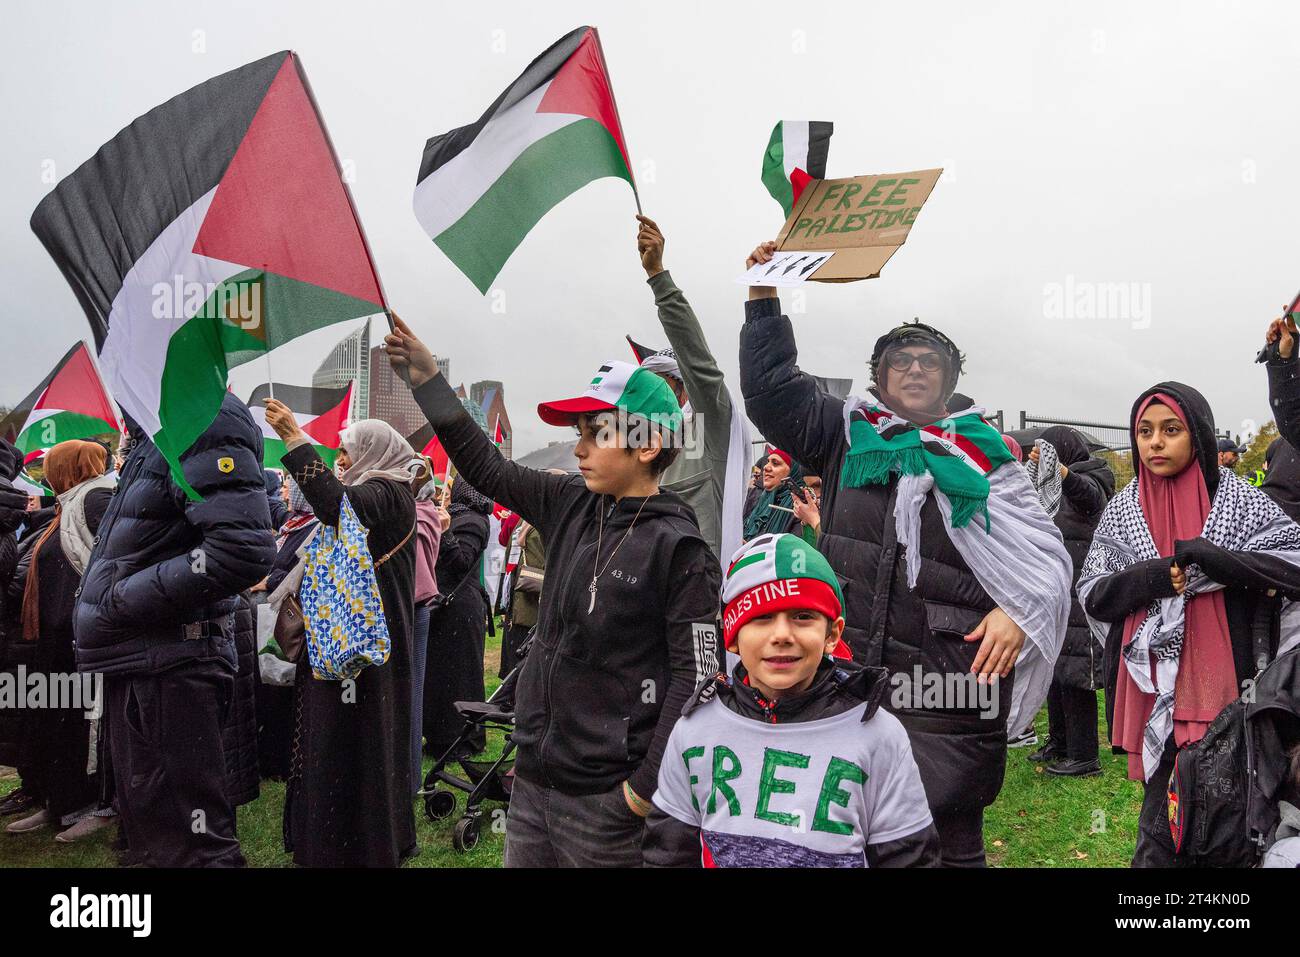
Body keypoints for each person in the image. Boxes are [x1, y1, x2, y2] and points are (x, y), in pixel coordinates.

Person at [738, 241, 1072, 866]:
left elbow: (1045, 560)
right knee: (841, 837)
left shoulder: (987, 455)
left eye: (929, 362)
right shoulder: (844, 436)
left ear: (948, 379)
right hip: (847, 680)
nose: (914, 370)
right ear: (880, 376)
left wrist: (1017, 612)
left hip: (950, 687)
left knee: (947, 846)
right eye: (900, 362)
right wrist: (764, 295)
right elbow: (772, 391)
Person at [385, 316, 722, 868]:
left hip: (608, 807)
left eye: (597, 432)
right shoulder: (567, 501)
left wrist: (640, 791)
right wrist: (428, 382)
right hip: (533, 784)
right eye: (579, 433)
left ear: (647, 443)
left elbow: (699, 677)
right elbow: (487, 467)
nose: (580, 447)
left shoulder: (679, 549)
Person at [1077, 382, 1300, 866]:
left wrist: (1218, 561)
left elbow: (1292, 566)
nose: (1155, 442)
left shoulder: (1243, 503)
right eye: (1145, 431)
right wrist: (1152, 576)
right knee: (1164, 809)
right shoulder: (1124, 509)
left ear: (1196, 436)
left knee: (1228, 807)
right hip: (1155, 690)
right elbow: (1095, 594)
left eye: (1171, 430)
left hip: (1230, 689)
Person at [643, 532, 940, 867]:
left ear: (832, 634)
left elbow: (909, 857)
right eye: (761, 617)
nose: (782, 635)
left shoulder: (878, 735)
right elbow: (668, 851)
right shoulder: (695, 729)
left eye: (802, 616)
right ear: (732, 635)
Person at [73, 393, 276, 867]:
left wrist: (118, 600)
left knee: (192, 848)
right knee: (156, 837)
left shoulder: (200, 411)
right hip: (148, 660)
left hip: (172, 665)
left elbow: (242, 549)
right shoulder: (156, 428)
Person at [264, 404, 420, 868]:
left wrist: (294, 437)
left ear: (375, 452)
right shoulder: (380, 491)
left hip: (362, 649)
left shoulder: (387, 493)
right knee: (338, 740)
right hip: (345, 639)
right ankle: (338, 838)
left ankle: (354, 845)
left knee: (356, 742)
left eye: (349, 453)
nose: (342, 462)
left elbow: (335, 504)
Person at [3, 441, 114, 839]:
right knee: (56, 724)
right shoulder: (66, 504)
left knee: (84, 727)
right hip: (56, 638)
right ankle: (57, 803)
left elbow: (112, 561)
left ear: (68, 467)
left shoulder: (96, 498)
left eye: (51, 465)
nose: (45, 473)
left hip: (82, 635)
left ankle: (93, 806)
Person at [634, 215, 752, 564]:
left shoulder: (709, 429)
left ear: (684, 391)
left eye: (658, 386)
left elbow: (697, 362)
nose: (646, 400)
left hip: (703, 600)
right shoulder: (644, 444)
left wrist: (657, 277)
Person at [1024, 427, 1115, 776]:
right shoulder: (1051, 483)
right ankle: (1060, 743)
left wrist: (1061, 470)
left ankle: (1085, 755)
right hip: (1058, 587)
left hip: (1081, 589)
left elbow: (1090, 498)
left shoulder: (1095, 477)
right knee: (1056, 670)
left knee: (1078, 675)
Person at [423, 475, 491, 761]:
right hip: (447, 608)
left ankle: (461, 740)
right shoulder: (454, 515)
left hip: (461, 610)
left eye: (450, 488)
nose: (446, 493)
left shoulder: (473, 521)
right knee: (441, 676)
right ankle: (440, 736)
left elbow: (462, 563)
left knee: (460, 677)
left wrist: (446, 532)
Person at [409, 462, 447, 794]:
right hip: (416, 608)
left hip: (415, 608)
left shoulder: (421, 515)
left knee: (411, 693)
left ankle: (408, 776)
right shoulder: (425, 512)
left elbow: (418, 574)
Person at [499, 515, 544, 679]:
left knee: (526, 673)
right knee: (512, 671)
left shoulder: (546, 519)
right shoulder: (521, 519)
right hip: (515, 601)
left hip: (533, 605)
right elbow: (504, 539)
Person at [743, 447, 803, 540]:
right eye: (767, 462)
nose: (766, 467)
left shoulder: (800, 507)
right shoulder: (759, 497)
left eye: (775, 463)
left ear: (792, 472)